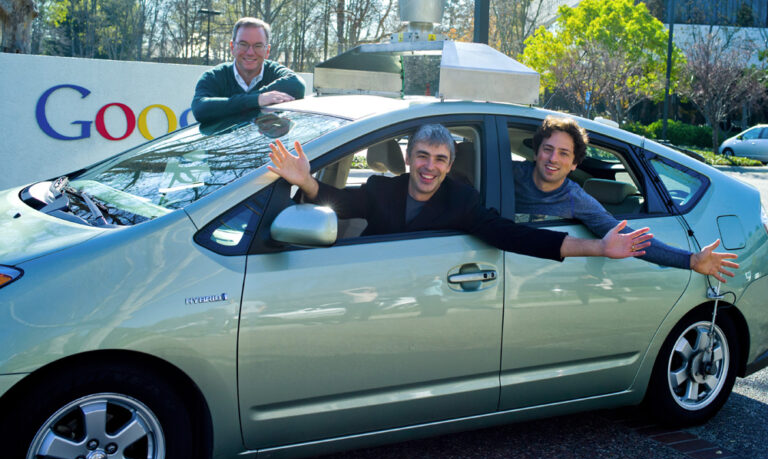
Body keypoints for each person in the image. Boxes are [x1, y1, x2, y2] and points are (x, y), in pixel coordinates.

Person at [268, 123, 654, 262]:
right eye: (422, 155)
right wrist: (303, 180)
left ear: (450, 166)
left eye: (439, 158)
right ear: (408, 157)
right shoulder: (380, 189)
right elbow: (339, 201)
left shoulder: (462, 202)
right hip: (379, 283)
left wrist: (600, 247)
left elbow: (517, 237)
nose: (429, 166)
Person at [512, 115, 739, 282]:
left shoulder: (576, 199)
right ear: (536, 152)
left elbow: (630, 238)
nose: (553, 158)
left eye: (564, 153)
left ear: (574, 164)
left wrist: (691, 260)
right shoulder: (507, 175)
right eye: (548, 149)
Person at [191, 17, 305, 123]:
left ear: (267, 50)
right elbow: (199, 108)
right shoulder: (214, 77)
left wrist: (237, 104)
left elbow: (297, 85)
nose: (250, 52)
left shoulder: (275, 72)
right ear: (232, 47)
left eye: (258, 45)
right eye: (243, 44)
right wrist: (257, 100)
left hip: (270, 144)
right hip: (227, 144)